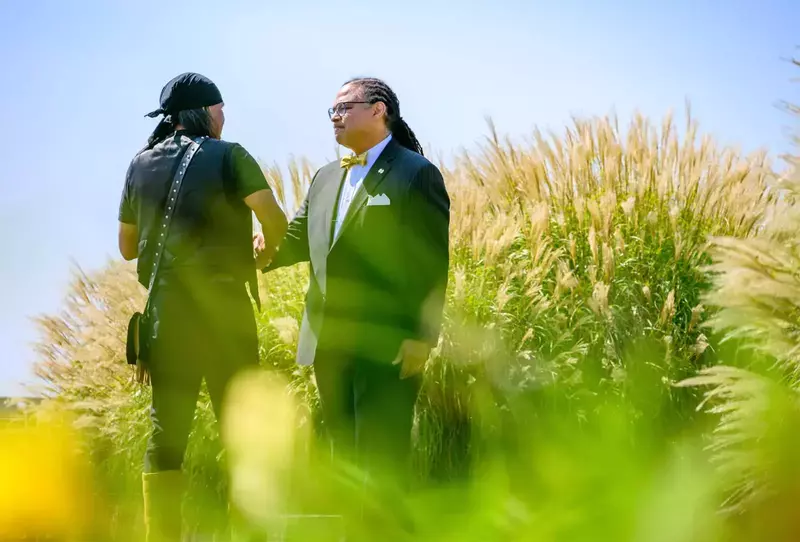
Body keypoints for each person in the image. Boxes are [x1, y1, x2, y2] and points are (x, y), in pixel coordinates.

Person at [261, 76, 450, 527]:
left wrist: (422, 336)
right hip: (328, 342)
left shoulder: (416, 173)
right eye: (332, 111)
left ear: (379, 109)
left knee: (382, 461)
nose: (335, 118)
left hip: (388, 342)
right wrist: (258, 250)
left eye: (344, 107)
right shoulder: (326, 177)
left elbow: (431, 263)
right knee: (343, 460)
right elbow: (296, 240)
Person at [117, 72, 287, 541]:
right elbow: (274, 220)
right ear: (206, 111)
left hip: (167, 316)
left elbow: (127, 248)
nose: (224, 117)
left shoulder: (139, 164)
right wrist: (263, 251)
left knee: (165, 436)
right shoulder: (230, 155)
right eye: (220, 109)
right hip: (224, 312)